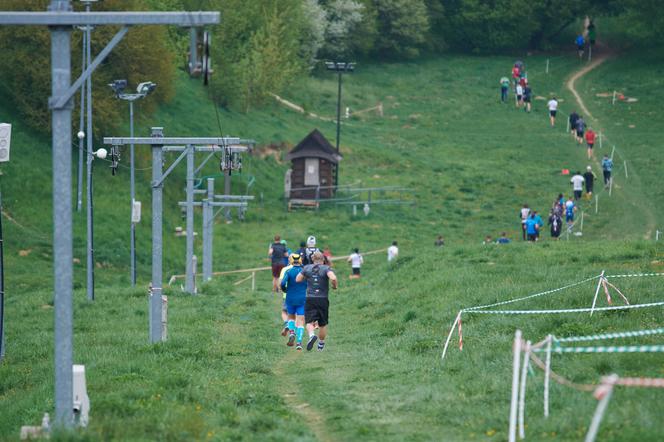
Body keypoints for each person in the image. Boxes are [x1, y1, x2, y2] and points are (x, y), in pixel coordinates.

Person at [296, 251, 338, 351]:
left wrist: (306, 276)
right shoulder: (326, 268)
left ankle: (311, 336)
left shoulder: (307, 268)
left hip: (310, 298)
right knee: (322, 323)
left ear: (312, 259)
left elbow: (297, 279)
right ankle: (321, 343)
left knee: (309, 322)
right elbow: (333, 278)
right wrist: (334, 286)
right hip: (323, 299)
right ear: (323, 260)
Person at [280, 253, 307, 350]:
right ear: (300, 261)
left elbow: (282, 283)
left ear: (291, 261)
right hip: (302, 298)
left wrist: (285, 290)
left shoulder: (288, 271)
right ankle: (299, 343)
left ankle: (292, 333)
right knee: (300, 320)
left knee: (291, 317)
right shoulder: (305, 272)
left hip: (290, 298)